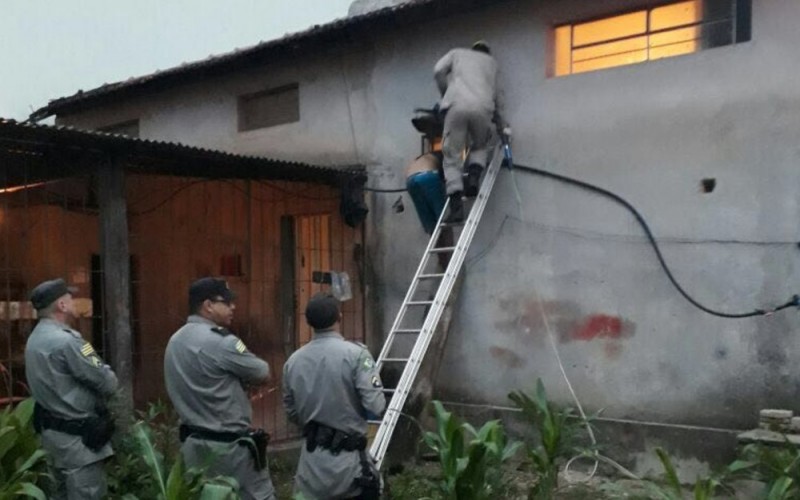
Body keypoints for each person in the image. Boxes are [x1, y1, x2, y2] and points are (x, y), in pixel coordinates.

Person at [164, 277, 275, 500]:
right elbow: (262, 372)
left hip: (193, 446)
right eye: (227, 302)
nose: (233, 306)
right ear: (208, 306)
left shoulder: (175, 341)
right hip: (230, 449)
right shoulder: (223, 342)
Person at [282, 293, 386, 500]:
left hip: (311, 466)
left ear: (309, 322)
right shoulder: (357, 355)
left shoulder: (293, 361)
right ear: (339, 317)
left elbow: (291, 412)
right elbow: (376, 405)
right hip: (349, 468)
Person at [25, 278, 118, 499]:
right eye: (70, 299)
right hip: (80, 446)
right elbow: (106, 380)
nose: (75, 303)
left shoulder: (34, 340)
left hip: (54, 441)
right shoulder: (73, 342)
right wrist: (106, 371)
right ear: (62, 305)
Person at [433, 40, 510, 222]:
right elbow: (499, 95)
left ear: (472, 50)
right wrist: (501, 122)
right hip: (484, 108)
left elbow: (438, 71)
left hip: (456, 106)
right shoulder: (492, 64)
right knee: (480, 145)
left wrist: (445, 93)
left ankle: (457, 207)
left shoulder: (457, 53)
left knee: (452, 156)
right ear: (487, 53)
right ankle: (474, 178)